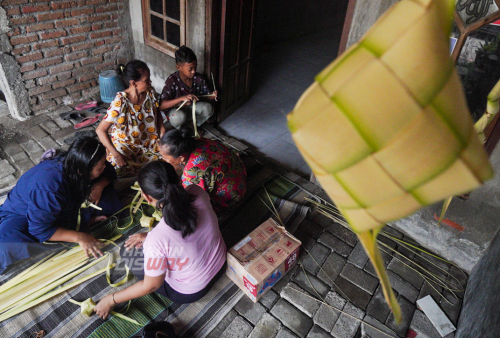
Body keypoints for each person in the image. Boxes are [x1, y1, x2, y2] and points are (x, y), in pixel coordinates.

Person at [94, 161, 226, 318]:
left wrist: (111, 299)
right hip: (221, 265)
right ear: (178, 181)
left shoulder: (158, 239)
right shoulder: (197, 191)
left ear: (146, 197)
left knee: (128, 252)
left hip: (192, 291)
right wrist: (151, 236)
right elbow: (185, 225)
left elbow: (151, 286)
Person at [0, 137, 122, 274]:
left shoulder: (79, 163)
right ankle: (74, 225)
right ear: (83, 170)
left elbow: (110, 172)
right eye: (100, 167)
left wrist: (99, 186)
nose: (104, 167)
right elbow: (39, 230)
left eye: (103, 164)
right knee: (7, 246)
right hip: (22, 214)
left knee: (110, 201)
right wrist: (80, 237)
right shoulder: (49, 187)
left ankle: (75, 223)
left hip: (63, 204)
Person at [96, 60, 165, 177]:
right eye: (146, 80)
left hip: (149, 142)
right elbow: (100, 130)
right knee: (116, 169)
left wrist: (162, 135)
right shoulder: (121, 101)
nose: (150, 82)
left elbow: (157, 115)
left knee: (167, 158)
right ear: (133, 83)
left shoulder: (150, 92)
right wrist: (116, 154)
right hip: (126, 144)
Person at [158, 128, 247, 212]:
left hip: (233, 194)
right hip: (239, 172)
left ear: (181, 158)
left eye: (165, 158)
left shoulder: (191, 174)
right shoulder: (197, 141)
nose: (164, 159)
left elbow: (198, 199)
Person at [159, 46, 217, 130]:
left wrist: (213, 95)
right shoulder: (172, 81)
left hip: (191, 109)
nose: (194, 71)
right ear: (179, 67)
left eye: (195, 67)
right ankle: (182, 129)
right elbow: (161, 106)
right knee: (178, 117)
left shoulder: (198, 78)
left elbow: (208, 95)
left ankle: (190, 127)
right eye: (190, 69)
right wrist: (181, 99)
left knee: (208, 108)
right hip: (176, 111)